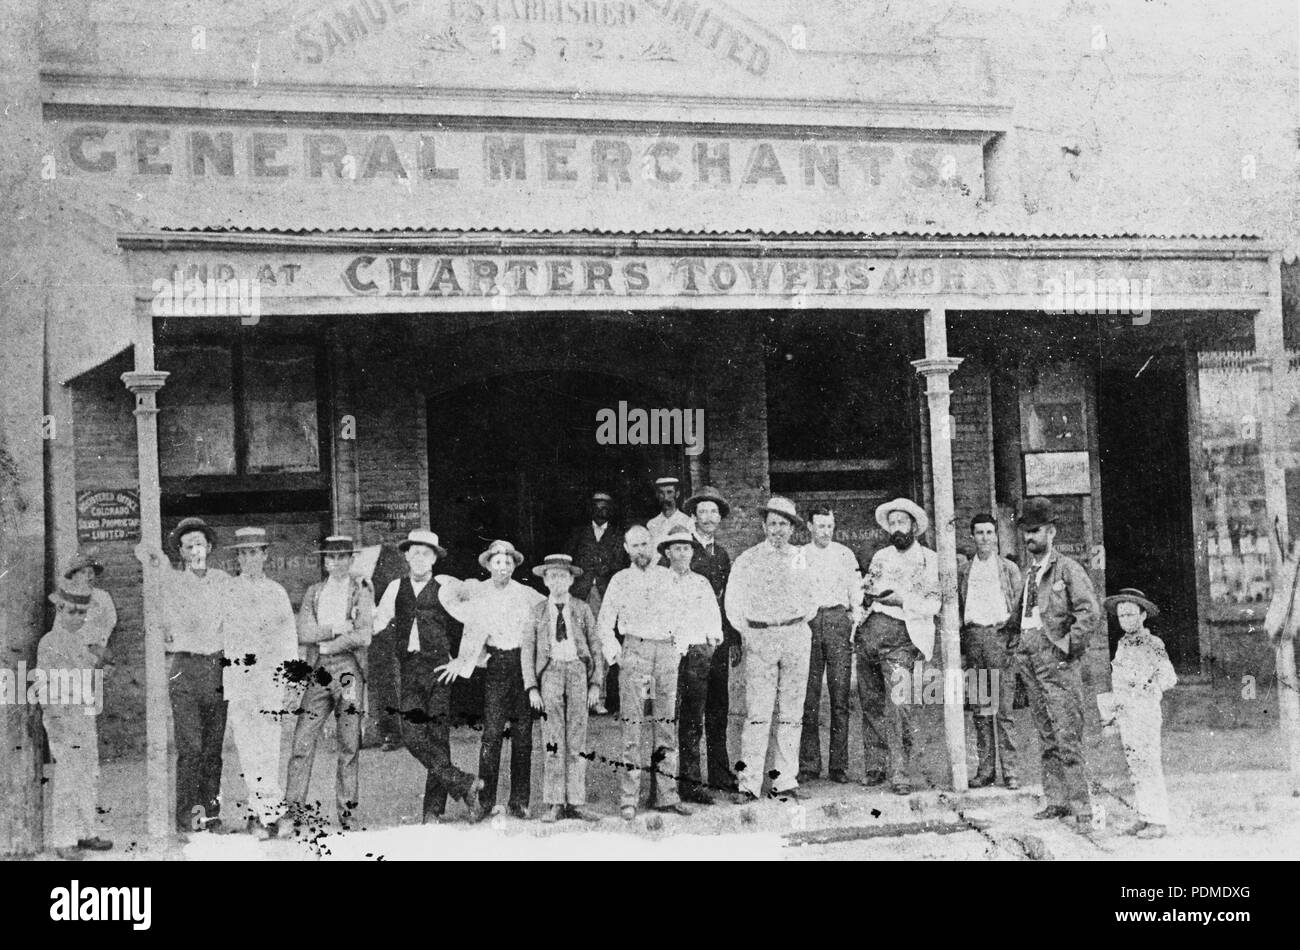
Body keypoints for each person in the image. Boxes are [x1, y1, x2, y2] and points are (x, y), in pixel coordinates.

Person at [373, 529, 485, 823]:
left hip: (438, 671)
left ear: (435, 557)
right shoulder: (395, 588)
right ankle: (463, 783)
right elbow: (376, 621)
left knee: (438, 738)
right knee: (411, 735)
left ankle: (432, 810)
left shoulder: (445, 587)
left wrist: (461, 662)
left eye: (426, 552)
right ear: (407, 556)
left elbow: (475, 619)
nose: (420, 558)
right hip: (410, 670)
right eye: (415, 552)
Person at [1005, 497, 1101, 835]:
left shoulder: (1068, 569)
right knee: (1045, 731)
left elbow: (1089, 614)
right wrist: (1015, 646)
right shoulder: (1028, 572)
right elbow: (1021, 617)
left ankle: (1083, 808)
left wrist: (1065, 649)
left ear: (1052, 532)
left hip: (1056, 657)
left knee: (1067, 731)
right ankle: (1056, 799)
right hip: (1029, 654)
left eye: (1036, 531)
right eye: (1026, 533)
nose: (1029, 538)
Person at [437, 540, 544, 819]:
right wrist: (463, 659)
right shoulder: (479, 592)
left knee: (522, 736)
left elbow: (548, 612)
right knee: (492, 735)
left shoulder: (527, 594)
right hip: (496, 665)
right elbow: (453, 598)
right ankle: (484, 801)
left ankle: (519, 801)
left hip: (522, 664)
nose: (502, 567)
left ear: (513, 566)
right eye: (497, 562)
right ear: (488, 565)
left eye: (507, 562)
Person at [724, 496, 819, 802]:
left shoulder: (801, 558)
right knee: (758, 712)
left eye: (784, 524)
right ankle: (749, 783)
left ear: (792, 529)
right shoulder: (748, 559)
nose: (778, 530)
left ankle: (785, 781)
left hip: (794, 633)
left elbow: (812, 599)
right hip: (761, 636)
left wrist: (793, 623)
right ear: (764, 525)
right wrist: (751, 631)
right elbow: (733, 604)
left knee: (792, 711)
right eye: (773, 523)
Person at [597, 525, 693, 821]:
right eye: (635, 545)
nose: (642, 550)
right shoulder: (620, 580)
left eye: (645, 544)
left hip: (665, 651)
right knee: (632, 727)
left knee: (665, 725)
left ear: (653, 546)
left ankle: (666, 794)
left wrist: (678, 650)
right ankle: (629, 798)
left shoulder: (669, 577)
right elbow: (604, 623)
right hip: (634, 650)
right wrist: (617, 656)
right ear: (626, 548)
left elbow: (684, 617)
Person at [286, 535, 375, 830]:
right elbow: (305, 631)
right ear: (324, 561)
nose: (335, 562)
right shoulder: (314, 592)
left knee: (349, 742)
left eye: (342, 557)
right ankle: (293, 811)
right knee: (302, 739)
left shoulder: (360, 592)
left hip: (349, 671)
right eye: (330, 557)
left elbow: (363, 635)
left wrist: (329, 645)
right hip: (318, 671)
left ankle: (348, 813)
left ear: (351, 560)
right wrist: (336, 629)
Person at [859, 498, 940, 795]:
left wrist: (902, 600)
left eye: (901, 523)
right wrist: (866, 597)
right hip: (870, 633)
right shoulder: (881, 556)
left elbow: (934, 602)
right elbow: (867, 590)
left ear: (914, 526)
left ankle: (900, 771)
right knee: (870, 703)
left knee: (899, 705)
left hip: (902, 638)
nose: (896, 529)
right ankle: (876, 766)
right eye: (891, 524)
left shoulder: (929, 560)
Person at [222, 527, 299, 837]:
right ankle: (263, 814)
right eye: (243, 553)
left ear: (265, 555)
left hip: (270, 681)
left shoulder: (276, 592)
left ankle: (263, 814)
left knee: (269, 748)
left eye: (254, 552)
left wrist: (293, 682)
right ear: (237, 558)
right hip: (242, 681)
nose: (249, 558)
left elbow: (288, 640)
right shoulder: (229, 591)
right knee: (248, 748)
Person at [158, 517, 231, 834]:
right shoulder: (172, 584)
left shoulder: (223, 581)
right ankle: (188, 817)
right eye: (189, 547)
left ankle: (209, 814)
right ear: (182, 553)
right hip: (185, 670)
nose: (195, 551)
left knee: (213, 750)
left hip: (217, 667)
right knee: (191, 749)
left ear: (210, 547)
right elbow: (167, 628)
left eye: (200, 544)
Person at [523, 554, 605, 823]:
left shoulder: (581, 609)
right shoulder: (537, 611)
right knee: (552, 737)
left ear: (571, 579)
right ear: (545, 580)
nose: (557, 580)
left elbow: (596, 646)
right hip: (551, 674)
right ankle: (556, 802)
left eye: (563, 575)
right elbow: (528, 651)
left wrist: (596, 683)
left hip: (577, 671)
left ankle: (576, 802)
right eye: (552, 576)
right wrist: (532, 687)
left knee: (577, 737)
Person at [39, 586, 113, 857]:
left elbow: (93, 669)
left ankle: (86, 832)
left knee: (88, 774)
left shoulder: (79, 641)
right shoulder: (50, 642)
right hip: (63, 716)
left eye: (82, 612)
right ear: (60, 610)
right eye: (71, 611)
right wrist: (55, 718)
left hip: (83, 714)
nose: (76, 617)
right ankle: (63, 839)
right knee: (68, 777)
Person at [1102, 588, 1177, 839]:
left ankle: (1158, 821)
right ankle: (1145, 816)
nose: (1126, 620)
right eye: (1122, 615)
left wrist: (1147, 685)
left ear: (1143, 615)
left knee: (1149, 764)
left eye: (1131, 614)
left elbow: (1168, 677)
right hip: (1127, 713)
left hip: (1145, 711)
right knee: (1135, 766)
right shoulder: (1122, 644)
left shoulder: (1153, 644)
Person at [797, 505, 864, 785]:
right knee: (809, 697)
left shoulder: (844, 554)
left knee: (840, 697)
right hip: (810, 623)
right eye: (820, 526)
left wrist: (853, 620)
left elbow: (856, 592)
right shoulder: (799, 555)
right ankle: (810, 765)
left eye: (829, 526)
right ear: (810, 527)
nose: (825, 531)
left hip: (838, 620)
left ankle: (839, 765)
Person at [956, 513, 1024, 789]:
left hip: (999, 637)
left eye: (989, 532)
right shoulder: (965, 570)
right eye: (979, 533)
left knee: (1004, 710)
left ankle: (1011, 772)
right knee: (981, 710)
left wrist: (1012, 642)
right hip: (975, 639)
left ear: (996, 536)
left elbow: (1019, 608)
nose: (985, 538)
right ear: (972, 537)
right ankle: (986, 771)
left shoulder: (1008, 569)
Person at [680, 485, 739, 794]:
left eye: (714, 512)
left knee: (718, 708)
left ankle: (719, 774)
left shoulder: (724, 553)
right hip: (692, 644)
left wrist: (734, 639)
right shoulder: (682, 550)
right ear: (694, 516)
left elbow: (728, 600)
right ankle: (689, 780)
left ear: (720, 518)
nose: (708, 517)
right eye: (702, 511)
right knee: (692, 710)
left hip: (719, 643)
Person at [659, 524, 724, 804]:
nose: (682, 553)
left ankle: (691, 784)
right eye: (677, 548)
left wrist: (708, 648)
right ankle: (664, 788)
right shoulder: (658, 582)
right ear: (667, 552)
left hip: (697, 658)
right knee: (666, 720)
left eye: (687, 548)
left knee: (692, 721)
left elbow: (713, 621)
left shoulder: (701, 583)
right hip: (667, 655)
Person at [564, 491, 627, 715]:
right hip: (581, 594)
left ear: (611, 510)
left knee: (602, 643)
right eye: (597, 506)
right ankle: (578, 699)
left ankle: (599, 698)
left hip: (605, 595)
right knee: (579, 643)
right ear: (590, 509)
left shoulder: (619, 536)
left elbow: (622, 566)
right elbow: (567, 562)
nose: (601, 511)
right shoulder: (578, 533)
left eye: (605, 507)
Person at [60, 552, 117, 655]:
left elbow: (111, 620)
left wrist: (101, 641)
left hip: (95, 648)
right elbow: (60, 625)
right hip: (72, 650)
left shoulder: (103, 596)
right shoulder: (66, 598)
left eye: (91, 572)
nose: (88, 576)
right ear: (74, 576)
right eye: (83, 572)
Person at [645, 475, 693, 544]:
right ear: (657, 495)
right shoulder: (651, 524)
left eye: (669, 492)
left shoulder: (688, 522)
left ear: (677, 494)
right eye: (661, 493)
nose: (665, 497)